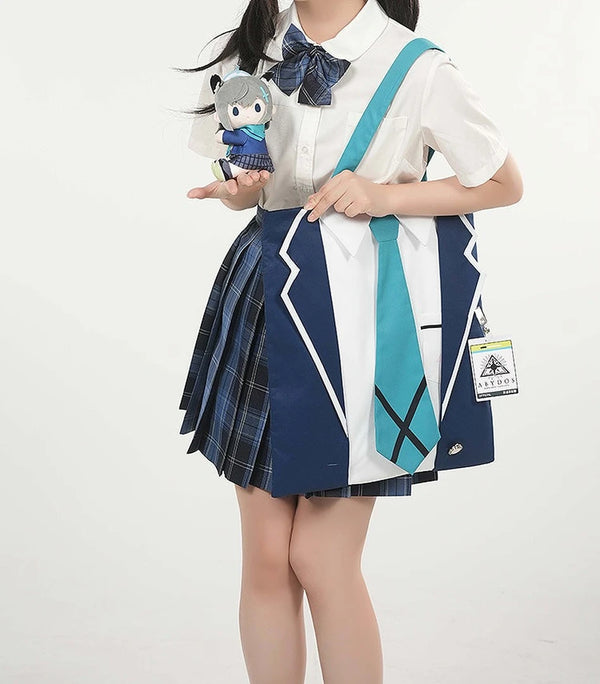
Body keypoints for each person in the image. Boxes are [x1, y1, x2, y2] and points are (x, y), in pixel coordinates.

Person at [178, 1, 524, 681]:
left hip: (364, 313)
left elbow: (504, 184)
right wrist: (236, 190)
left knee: (322, 558)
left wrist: (387, 197)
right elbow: (243, 187)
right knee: (266, 559)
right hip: (267, 296)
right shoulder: (250, 51)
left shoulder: (419, 67)